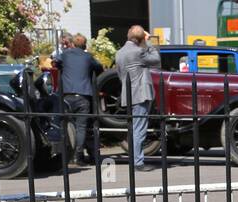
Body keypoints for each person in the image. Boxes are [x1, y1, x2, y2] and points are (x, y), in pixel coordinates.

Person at [52, 33, 102, 165]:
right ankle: (77, 156)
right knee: (81, 127)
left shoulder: (65, 55)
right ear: (84, 45)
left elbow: (55, 62)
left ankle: (64, 153)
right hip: (83, 95)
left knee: (64, 125)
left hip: (66, 95)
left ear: (72, 44)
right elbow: (99, 67)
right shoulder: (88, 57)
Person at [113, 24, 159, 168]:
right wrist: (148, 41)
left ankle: (135, 159)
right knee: (139, 129)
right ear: (140, 39)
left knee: (133, 129)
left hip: (128, 94)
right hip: (140, 94)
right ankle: (138, 162)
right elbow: (156, 59)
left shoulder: (119, 53)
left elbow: (120, 74)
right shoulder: (139, 51)